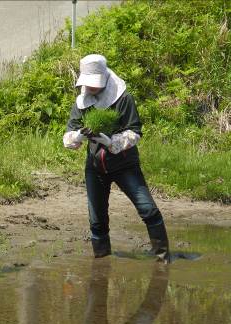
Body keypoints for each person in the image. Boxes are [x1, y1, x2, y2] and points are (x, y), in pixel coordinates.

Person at [63, 54, 170, 262]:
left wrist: (110, 142)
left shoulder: (123, 99)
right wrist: (77, 136)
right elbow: (69, 137)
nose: (91, 89)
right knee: (97, 220)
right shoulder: (83, 102)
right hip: (95, 168)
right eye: (88, 84)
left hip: (124, 165)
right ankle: (101, 263)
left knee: (147, 209)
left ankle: (163, 257)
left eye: (95, 85)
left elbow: (134, 132)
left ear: (104, 79)